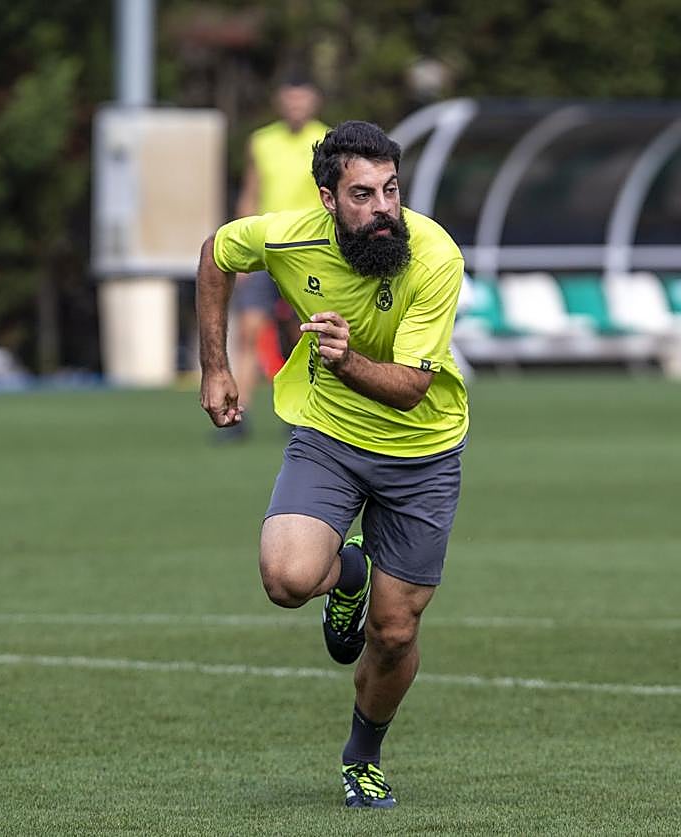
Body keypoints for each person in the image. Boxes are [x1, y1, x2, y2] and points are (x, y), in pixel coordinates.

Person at [196, 121, 469, 808]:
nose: (383, 209)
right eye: (362, 194)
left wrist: (346, 360)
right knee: (286, 578)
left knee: (394, 630)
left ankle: (363, 754)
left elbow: (410, 391)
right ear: (327, 198)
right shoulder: (287, 236)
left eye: (391, 190)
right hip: (331, 437)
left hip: (421, 449)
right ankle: (348, 571)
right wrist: (214, 366)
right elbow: (216, 253)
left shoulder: (433, 255)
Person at [227, 72, 330, 437]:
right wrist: (240, 248)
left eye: (302, 99)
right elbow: (250, 194)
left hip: (309, 253)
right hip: (266, 249)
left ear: (314, 101)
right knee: (249, 329)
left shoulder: (326, 140)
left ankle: (302, 410)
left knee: (305, 334)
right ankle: (236, 415)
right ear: (280, 102)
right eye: (290, 98)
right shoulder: (262, 141)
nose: (296, 106)